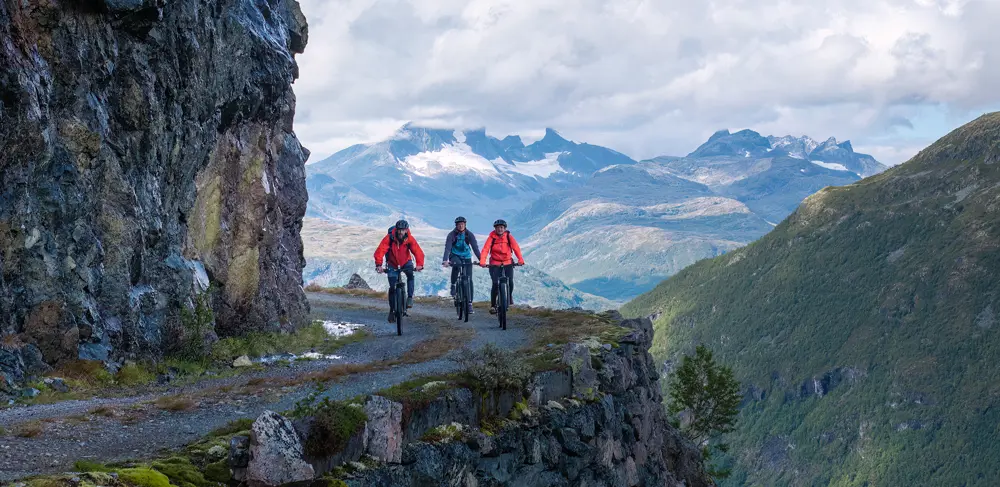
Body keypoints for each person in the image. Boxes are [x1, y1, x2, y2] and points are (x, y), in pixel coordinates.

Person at [374, 220, 425, 323]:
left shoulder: (409, 238)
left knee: (410, 275)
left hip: (406, 262)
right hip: (392, 264)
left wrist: (419, 264)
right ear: (396, 230)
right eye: (399, 230)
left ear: (406, 230)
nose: (401, 232)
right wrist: (379, 265)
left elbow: (417, 251)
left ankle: (410, 298)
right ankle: (392, 310)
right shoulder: (389, 238)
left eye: (403, 230)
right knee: (392, 288)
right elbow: (380, 251)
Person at [479, 219, 524, 315]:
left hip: (507, 262)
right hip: (495, 263)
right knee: (495, 283)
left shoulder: (508, 237)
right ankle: (493, 305)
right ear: (495, 228)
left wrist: (520, 259)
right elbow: (486, 249)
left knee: (510, 281)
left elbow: (516, 248)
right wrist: (482, 261)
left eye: (501, 227)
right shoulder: (491, 238)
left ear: (504, 228)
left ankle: (509, 297)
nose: (500, 229)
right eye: (498, 227)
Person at [442, 216, 481, 316]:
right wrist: (445, 260)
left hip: (467, 256)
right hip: (455, 255)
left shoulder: (469, 234)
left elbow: (475, 248)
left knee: (469, 279)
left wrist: (482, 260)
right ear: (456, 225)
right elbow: (447, 248)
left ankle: (469, 303)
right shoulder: (451, 235)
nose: (460, 226)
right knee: (457, 265)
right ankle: (453, 285)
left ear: (465, 225)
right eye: (459, 224)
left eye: (462, 224)